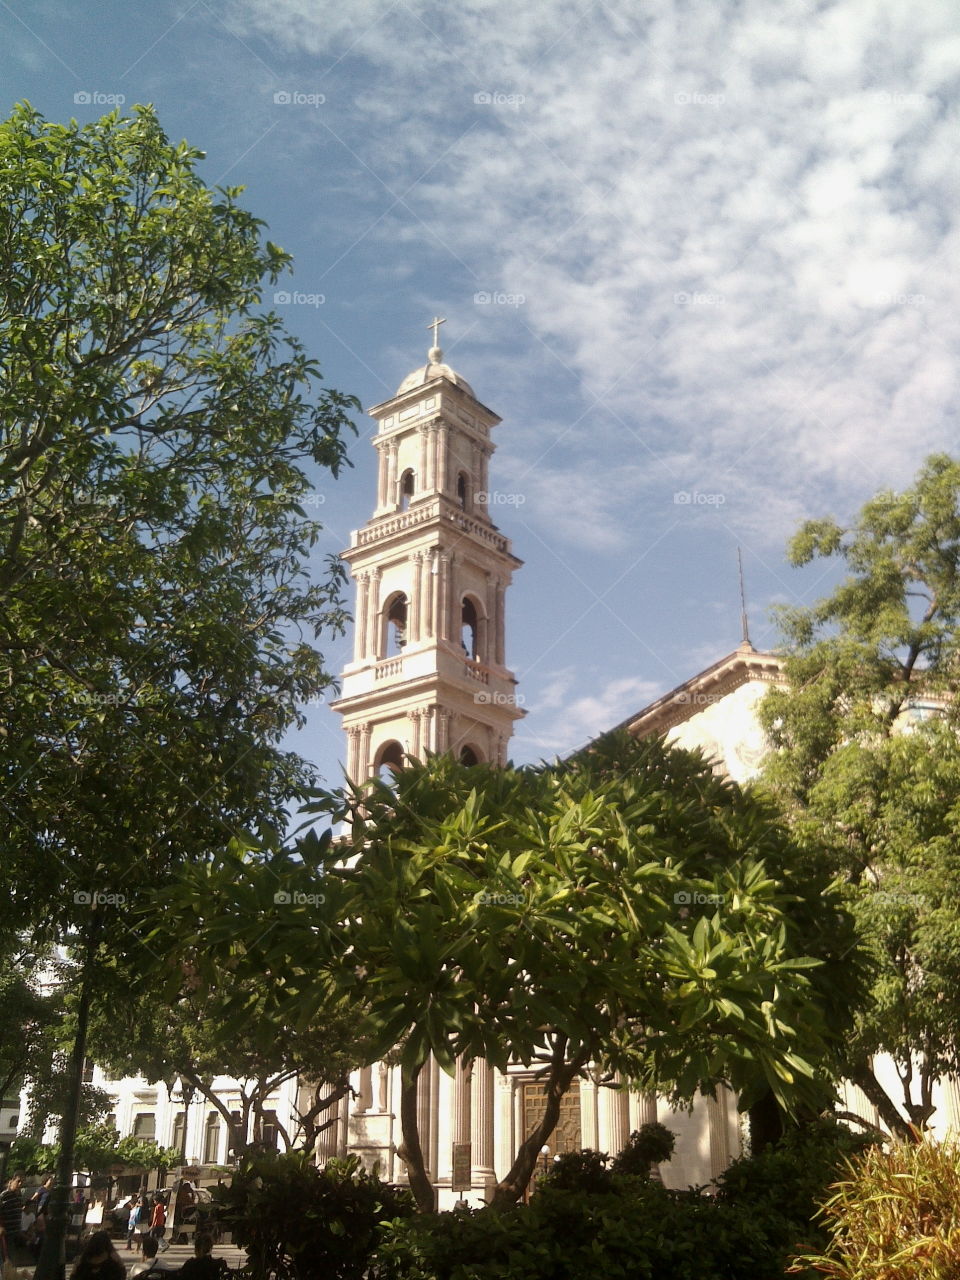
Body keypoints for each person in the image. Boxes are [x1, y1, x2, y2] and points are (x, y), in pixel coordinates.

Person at [0, 1172, 29, 1267]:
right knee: (7, 1260)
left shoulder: (19, 1196)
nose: (20, 1184)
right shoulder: (4, 1195)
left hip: (15, 1231)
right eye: (18, 1181)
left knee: (12, 1260)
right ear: (11, 1181)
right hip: (6, 1232)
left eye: (22, 1182)